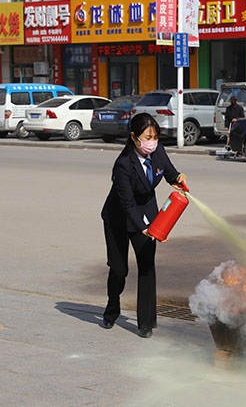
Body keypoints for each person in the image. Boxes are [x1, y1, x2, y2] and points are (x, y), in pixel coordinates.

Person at [100, 113, 186, 338]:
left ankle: (146, 323)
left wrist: (178, 178)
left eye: (155, 137)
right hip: (118, 219)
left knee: (147, 266)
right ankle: (112, 308)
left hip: (147, 213)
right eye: (148, 137)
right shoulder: (123, 165)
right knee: (119, 270)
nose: (153, 142)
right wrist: (143, 228)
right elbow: (127, 205)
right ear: (134, 138)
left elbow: (169, 172)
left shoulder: (158, 152)